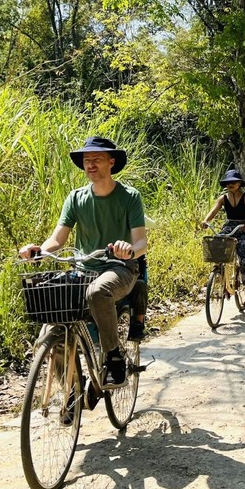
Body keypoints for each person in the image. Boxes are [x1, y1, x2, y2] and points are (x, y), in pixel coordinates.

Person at [19, 136, 148, 387]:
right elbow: (57, 239)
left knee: (99, 291)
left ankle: (113, 357)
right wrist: (38, 250)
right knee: (51, 323)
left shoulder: (129, 197)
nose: (90, 165)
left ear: (111, 162)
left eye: (96, 159)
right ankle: (71, 392)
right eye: (86, 160)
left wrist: (128, 250)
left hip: (119, 269)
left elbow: (142, 242)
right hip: (83, 271)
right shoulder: (76, 198)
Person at [200, 169, 245, 307]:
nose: (230, 184)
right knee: (218, 248)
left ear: (239, 184)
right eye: (228, 182)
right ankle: (222, 279)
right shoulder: (223, 198)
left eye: (233, 182)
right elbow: (213, 211)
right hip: (229, 226)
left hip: (243, 228)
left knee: (244, 258)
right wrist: (206, 221)